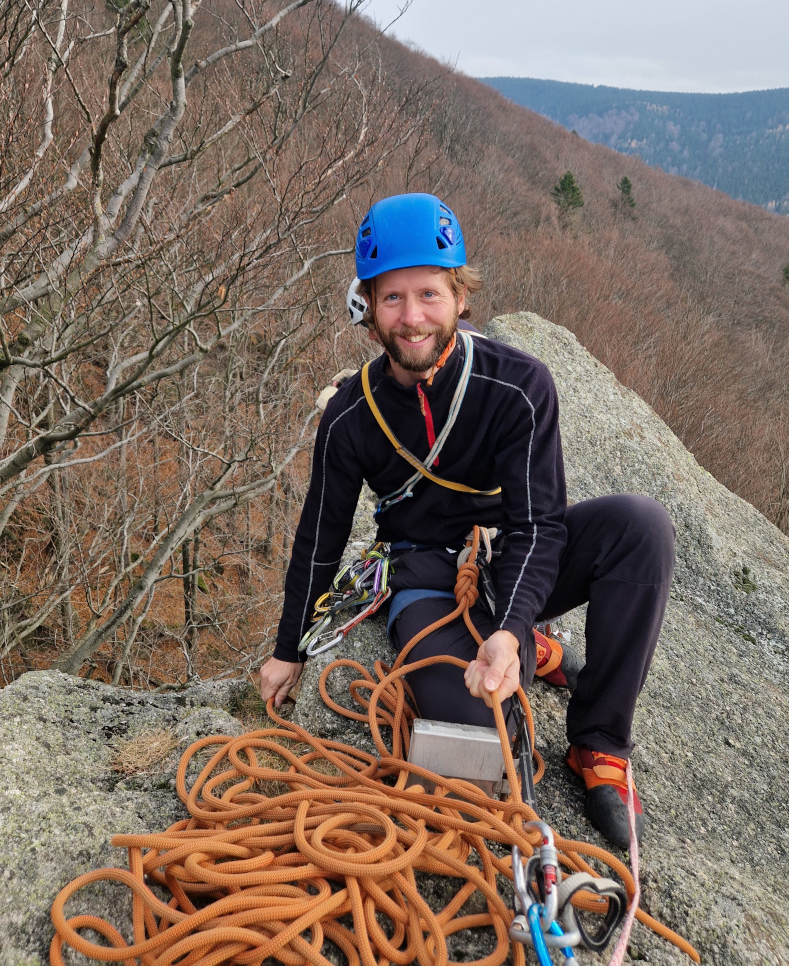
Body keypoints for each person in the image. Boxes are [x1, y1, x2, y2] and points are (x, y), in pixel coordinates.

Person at [259, 192, 674, 848]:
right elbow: (321, 537)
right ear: (366, 308)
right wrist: (288, 650)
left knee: (640, 528)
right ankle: (535, 653)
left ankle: (599, 744)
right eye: (391, 299)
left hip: (510, 556)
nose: (412, 317)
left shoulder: (517, 384)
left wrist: (508, 631)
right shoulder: (350, 416)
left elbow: (540, 523)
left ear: (459, 295)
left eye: (428, 293)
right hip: (421, 572)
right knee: (481, 738)